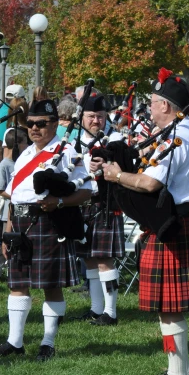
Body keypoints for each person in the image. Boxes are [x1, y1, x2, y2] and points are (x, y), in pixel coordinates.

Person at [100, 68, 189, 375]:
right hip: (176, 219)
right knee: (168, 305)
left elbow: (150, 183)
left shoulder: (179, 137)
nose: (149, 107)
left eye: (152, 102)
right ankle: (179, 371)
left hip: (175, 222)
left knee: (169, 305)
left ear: (165, 105)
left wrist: (117, 176)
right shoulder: (184, 132)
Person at [0, 99, 93, 361]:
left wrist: (61, 202)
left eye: (41, 124)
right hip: (20, 224)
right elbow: (14, 197)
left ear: (54, 123)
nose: (34, 128)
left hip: (47, 223)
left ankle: (48, 343)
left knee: (50, 284)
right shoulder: (25, 155)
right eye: (31, 123)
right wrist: (7, 234)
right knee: (17, 284)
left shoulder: (67, 151)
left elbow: (87, 191)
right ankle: (15, 342)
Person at [71, 93, 125, 326]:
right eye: (91, 116)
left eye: (101, 116)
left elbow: (125, 167)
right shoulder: (74, 142)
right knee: (89, 259)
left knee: (104, 259)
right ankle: (95, 309)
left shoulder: (115, 139)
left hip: (106, 203)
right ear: (82, 117)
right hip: (82, 203)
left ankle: (110, 312)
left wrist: (105, 166)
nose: (96, 121)